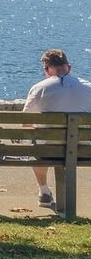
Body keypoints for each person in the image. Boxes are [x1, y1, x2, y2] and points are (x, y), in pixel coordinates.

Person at [22, 49, 91, 209]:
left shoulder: (39, 88)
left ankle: (44, 191)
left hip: (48, 150)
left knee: (36, 144)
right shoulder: (88, 87)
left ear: (46, 70)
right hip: (83, 149)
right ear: (69, 67)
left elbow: (25, 122)